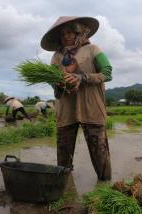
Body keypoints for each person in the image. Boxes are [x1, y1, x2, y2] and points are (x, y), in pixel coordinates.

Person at [41, 16, 113, 180]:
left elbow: (107, 73)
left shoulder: (93, 49)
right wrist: (59, 83)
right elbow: (54, 83)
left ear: (78, 32)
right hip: (66, 110)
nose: (66, 36)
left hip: (92, 108)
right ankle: (64, 189)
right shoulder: (57, 57)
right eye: (63, 34)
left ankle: (105, 186)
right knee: (63, 155)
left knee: (99, 152)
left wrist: (82, 78)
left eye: (70, 32)